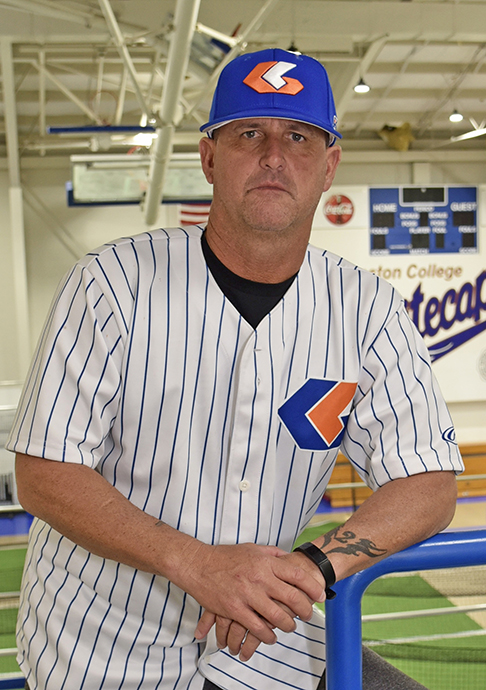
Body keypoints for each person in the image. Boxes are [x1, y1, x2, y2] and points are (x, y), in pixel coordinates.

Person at [7, 48, 462, 690]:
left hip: (273, 647)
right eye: (250, 132)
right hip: (100, 651)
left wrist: (312, 567)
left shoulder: (366, 309)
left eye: (298, 137)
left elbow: (430, 483)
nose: (274, 155)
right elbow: (45, 475)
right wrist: (197, 564)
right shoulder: (111, 284)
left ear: (328, 165)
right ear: (209, 156)